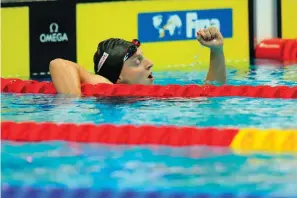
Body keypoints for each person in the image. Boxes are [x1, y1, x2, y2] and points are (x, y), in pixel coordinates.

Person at [49, 27, 226, 97]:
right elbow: (58, 64)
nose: (150, 64)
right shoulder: (107, 87)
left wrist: (216, 51)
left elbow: (212, 93)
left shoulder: (153, 96)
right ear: (118, 78)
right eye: (137, 62)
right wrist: (72, 106)